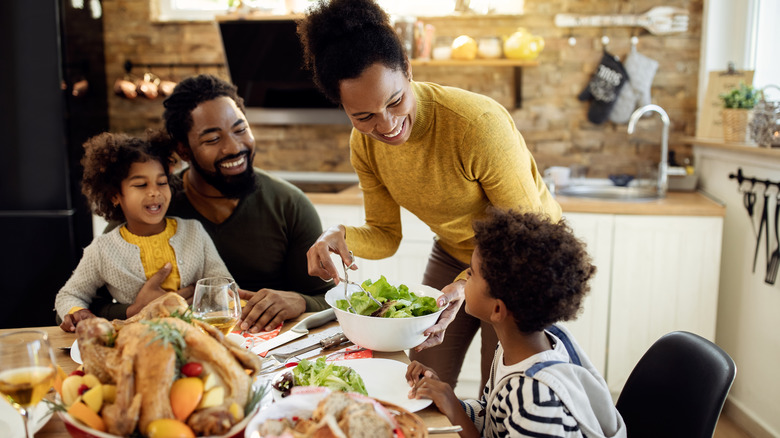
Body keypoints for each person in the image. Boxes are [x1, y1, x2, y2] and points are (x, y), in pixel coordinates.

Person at [299, 0, 561, 389]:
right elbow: (386, 235)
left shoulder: (476, 125)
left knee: (506, 389)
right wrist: (335, 237)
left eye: (395, 101)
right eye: (364, 116)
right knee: (421, 378)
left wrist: (469, 281)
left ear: (407, 69)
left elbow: (525, 234)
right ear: (344, 108)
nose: (386, 126)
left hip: (522, 261)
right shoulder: (365, 144)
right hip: (455, 251)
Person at [90, 74, 333, 333]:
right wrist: (135, 309)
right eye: (212, 139)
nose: (234, 147)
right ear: (184, 151)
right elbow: (79, 306)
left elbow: (329, 300)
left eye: (240, 129)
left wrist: (300, 301)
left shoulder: (289, 205)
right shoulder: (151, 204)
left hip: (274, 359)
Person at [406, 209, 626, 438]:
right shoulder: (516, 350)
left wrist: (453, 406)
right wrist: (444, 395)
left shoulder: (536, 401)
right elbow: (492, 417)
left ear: (498, 309)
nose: (465, 279)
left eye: (471, 273)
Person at [55, 132, 232, 332]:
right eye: (141, 185)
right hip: (138, 339)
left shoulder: (194, 232)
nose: (154, 192)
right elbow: (69, 294)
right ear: (114, 196)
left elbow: (222, 285)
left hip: (195, 333)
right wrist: (77, 311)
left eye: (162, 182)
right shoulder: (102, 250)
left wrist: (220, 302)